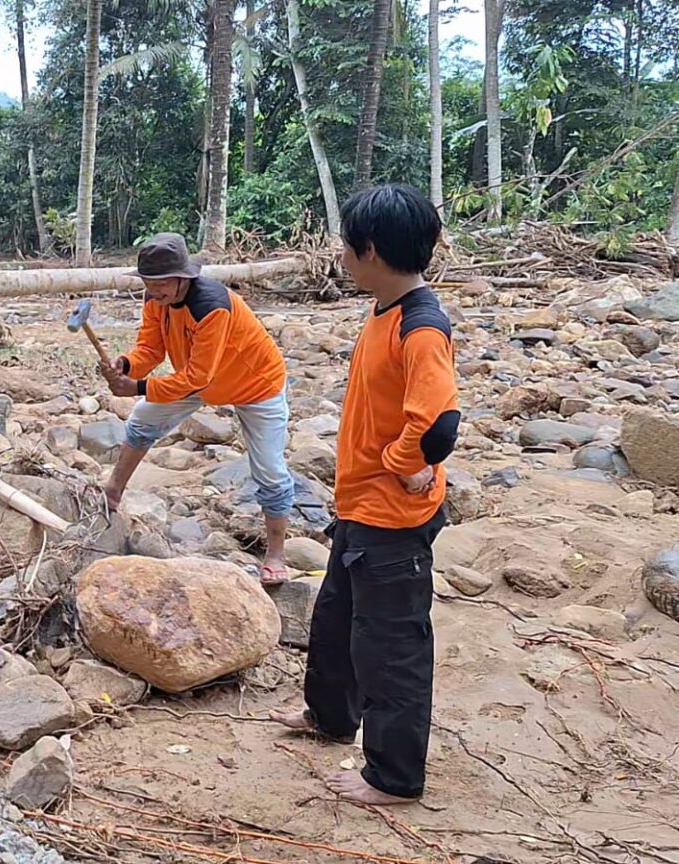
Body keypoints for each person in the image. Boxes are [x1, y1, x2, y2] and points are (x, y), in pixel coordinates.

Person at [272, 184, 459, 806]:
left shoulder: (422, 326)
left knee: (390, 648)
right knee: (334, 624)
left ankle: (394, 776)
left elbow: (437, 424)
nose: (341, 257)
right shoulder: (384, 309)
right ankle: (329, 716)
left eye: (346, 247)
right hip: (358, 509)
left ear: (371, 251)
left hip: (394, 520)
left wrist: (403, 463)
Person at [97, 232, 296, 583]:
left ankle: (276, 553)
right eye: (148, 284)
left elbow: (199, 376)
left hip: (254, 383)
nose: (153, 293)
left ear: (182, 278)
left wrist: (139, 387)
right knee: (143, 420)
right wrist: (126, 366)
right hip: (199, 377)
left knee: (269, 471)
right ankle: (112, 493)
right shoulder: (155, 299)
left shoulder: (211, 306)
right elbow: (151, 350)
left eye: (160, 286)